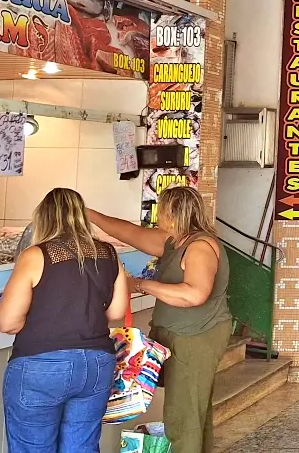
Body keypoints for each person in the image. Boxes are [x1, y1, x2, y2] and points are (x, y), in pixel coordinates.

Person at [89, 187, 232, 453]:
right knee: (192, 408)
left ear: (173, 215)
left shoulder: (199, 247)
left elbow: (194, 294)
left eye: (162, 209)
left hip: (196, 336)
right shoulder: (174, 241)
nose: (158, 215)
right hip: (175, 332)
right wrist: (88, 214)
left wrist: (141, 284)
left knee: (183, 414)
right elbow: (129, 233)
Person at [0, 188, 129, 453]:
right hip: (96, 365)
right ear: (81, 216)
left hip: (41, 366)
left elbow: (8, 322)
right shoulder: (109, 254)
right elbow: (116, 312)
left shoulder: (36, 255)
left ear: (43, 218)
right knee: (81, 447)